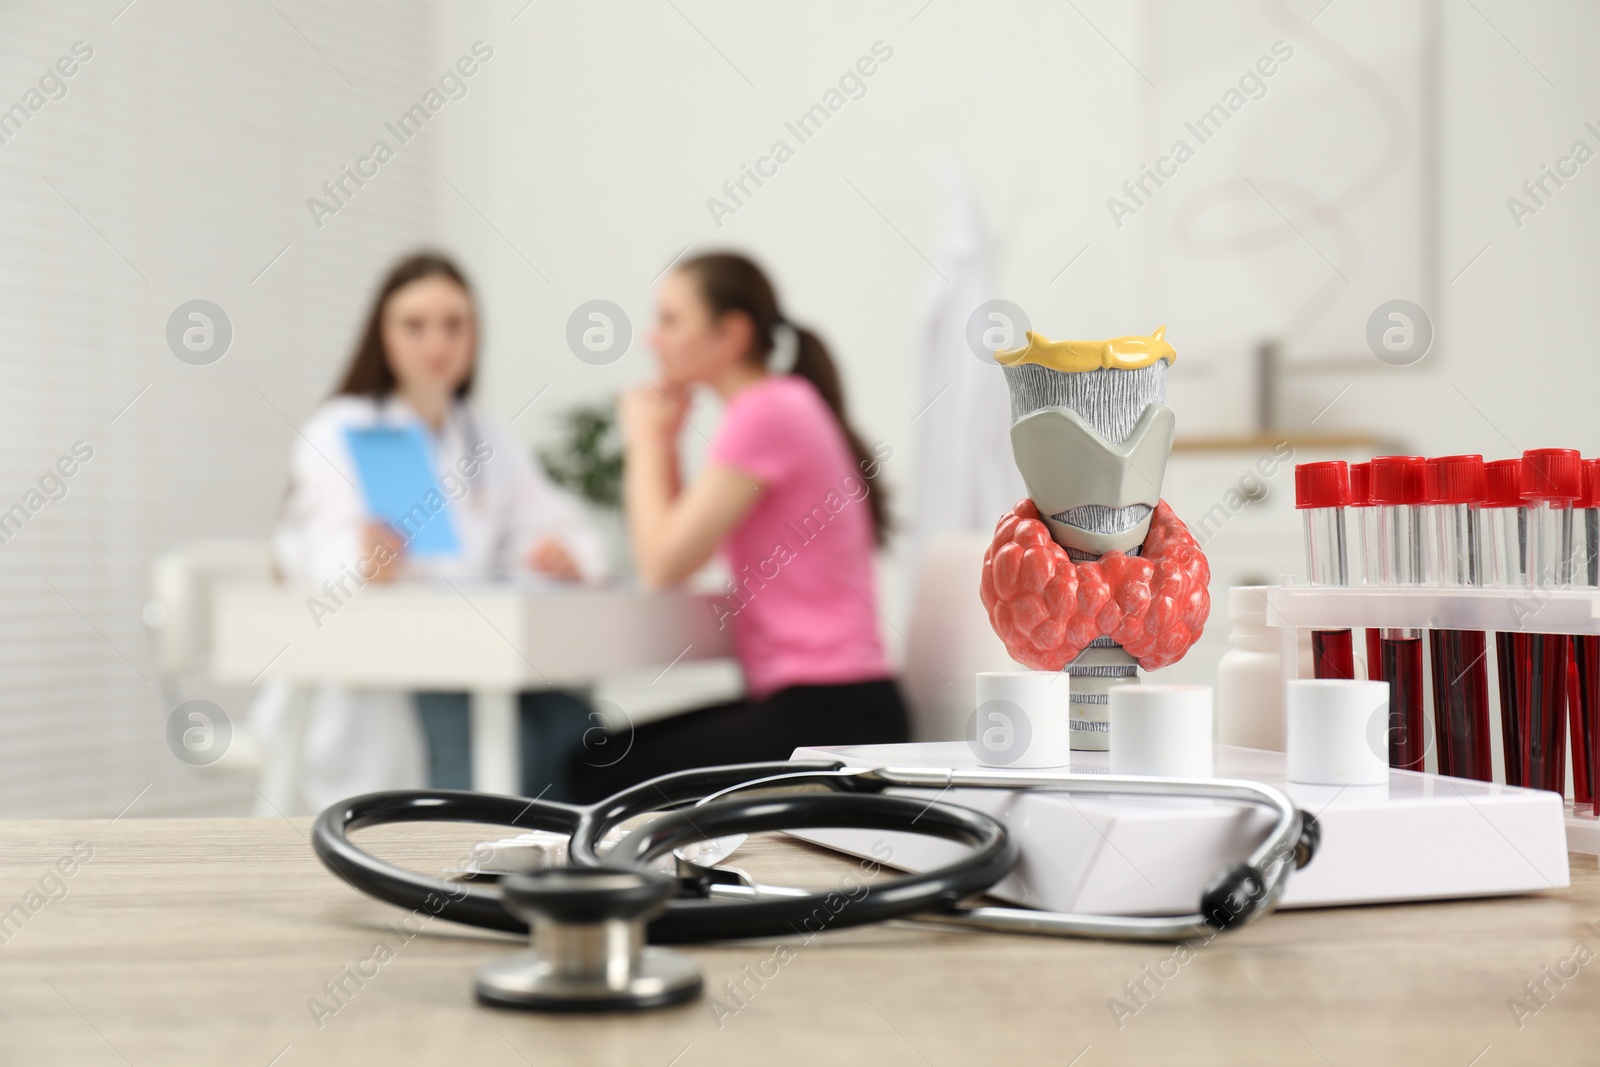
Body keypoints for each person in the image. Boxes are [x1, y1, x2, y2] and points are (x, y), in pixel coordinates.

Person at [250, 252, 604, 813]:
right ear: (382, 335)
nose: (437, 344)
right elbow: (318, 552)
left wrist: (558, 553)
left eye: (454, 325)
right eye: (414, 326)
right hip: (379, 669)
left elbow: (551, 524)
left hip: (472, 653)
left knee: (571, 727)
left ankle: (547, 877)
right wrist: (363, 561)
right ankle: (466, 882)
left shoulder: (482, 434)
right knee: (498, 744)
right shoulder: (342, 428)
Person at [567, 252, 908, 801]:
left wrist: (645, 440)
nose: (653, 339)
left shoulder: (763, 414)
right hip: (833, 706)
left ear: (730, 334)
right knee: (594, 759)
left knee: (596, 775)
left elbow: (660, 563)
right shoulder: (779, 405)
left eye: (671, 320)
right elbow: (681, 554)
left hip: (834, 716)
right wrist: (668, 442)